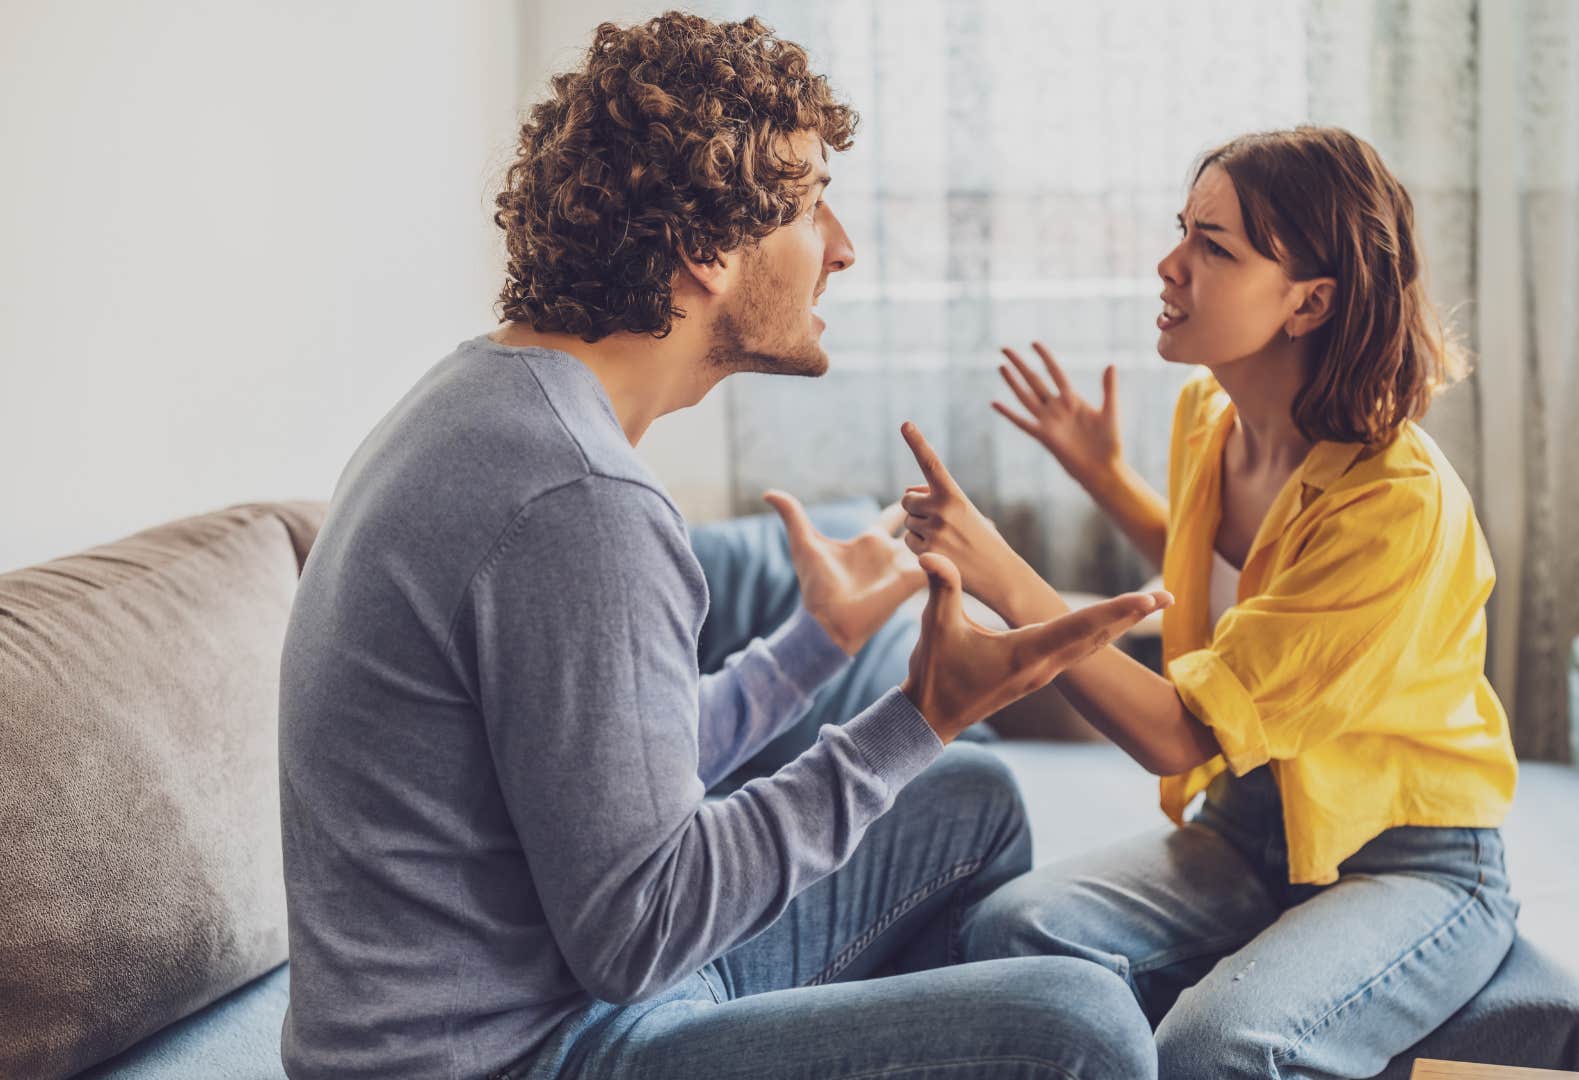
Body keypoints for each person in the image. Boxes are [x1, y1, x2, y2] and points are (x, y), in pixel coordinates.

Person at [277, 13, 1166, 1080]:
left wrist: (815, 647)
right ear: (705, 252)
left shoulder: (486, 399)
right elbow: (639, 928)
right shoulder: (580, 500)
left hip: (562, 995)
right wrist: (926, 711)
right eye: (808, 207)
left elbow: (601, 773)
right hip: (522, 1055)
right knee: (1083, 1025)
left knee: (968, 801)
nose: (842, 247)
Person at [897, 126, 1522, 1079]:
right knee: (1007, 935)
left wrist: (1006, 577)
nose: (1169, 263)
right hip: (1246, 826)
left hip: (1409, 860)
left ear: (1309, 301)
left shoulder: (1395, 504)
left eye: (1214, 247)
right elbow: (1240, 587)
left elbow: (1180, 733)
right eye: (1183, 230)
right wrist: (1109, 477)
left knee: (1215, 1049)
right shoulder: (1213, 420)